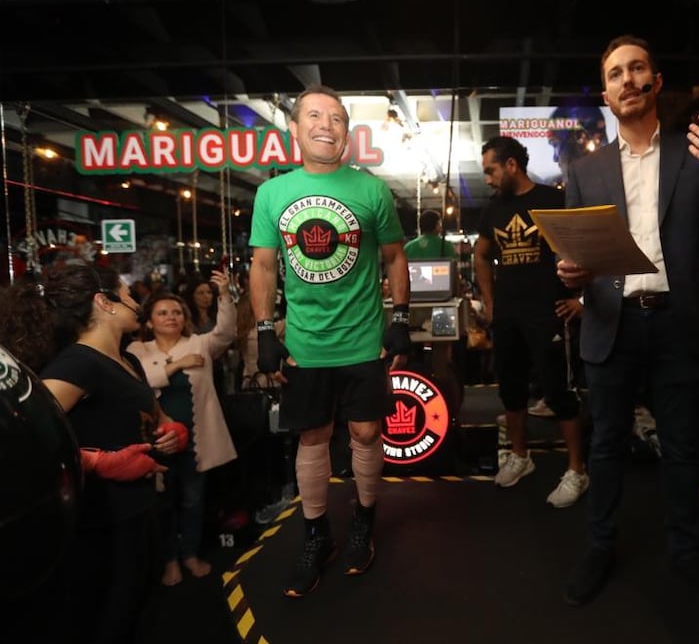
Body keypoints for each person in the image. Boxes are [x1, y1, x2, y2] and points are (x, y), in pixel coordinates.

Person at [556, 34, 699, 605]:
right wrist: (571, 275)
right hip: (610, 319)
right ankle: (600, 545)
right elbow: (575, 258)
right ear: (607, 95)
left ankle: (685, 552)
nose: (627, 79)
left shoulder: (696, 158)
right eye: (615, 73)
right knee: (606, 446)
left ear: (655, 82)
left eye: (637, 68)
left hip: (679, 324)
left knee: (684, 448)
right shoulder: (584, 171)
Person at [249, 84, 411, 598]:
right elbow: (263, 264)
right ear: (293, 130)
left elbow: (394, 257)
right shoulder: (272, 193)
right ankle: (316, 535)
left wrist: (401, 315)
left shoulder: (372, 190)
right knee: (312, 438)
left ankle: (363, 520)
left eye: (337, 118)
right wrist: (262, 331)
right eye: (314, 116)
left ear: (347, 132)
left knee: (365, 434)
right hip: (305, 344)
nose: (327, 124)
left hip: (363, 342)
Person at [0, 264, 187, 643]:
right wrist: (98, 462)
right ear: (105, 302)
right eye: (130, 295)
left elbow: (158, 418)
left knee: (140, 612)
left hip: (140, 510)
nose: (137, 304)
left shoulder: (129, 360)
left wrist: (172, 432)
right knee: (107, 621)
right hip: (101, 522)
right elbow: (22, 441)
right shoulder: (77, 364)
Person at [475, 135, 589, 507]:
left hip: (547, 310)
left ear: (511, 165)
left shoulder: (552, 200)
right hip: (508, 313)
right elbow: (480, 256)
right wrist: (490, 303)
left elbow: (584, 251)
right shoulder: (493, 209)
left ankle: (577, 470)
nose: (488, 179)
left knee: (558, 392)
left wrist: (580, 299)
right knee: (511, 389)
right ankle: (521, 457)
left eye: (491, 170)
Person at [126, 270, 238, 586]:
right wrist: (176, 365)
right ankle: (169, 560)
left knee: (193, 500)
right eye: (162, 313)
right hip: (157, 442)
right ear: (149, 321)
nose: (171, 317)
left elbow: (226, 333)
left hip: (196, 442)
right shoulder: (137, 352)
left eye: (176, 312)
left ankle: (189, 554)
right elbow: (141, 383)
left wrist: (225, 295)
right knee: (163, 504)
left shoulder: (199, 344)